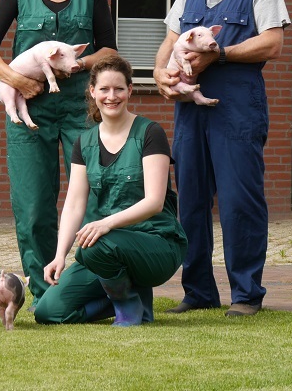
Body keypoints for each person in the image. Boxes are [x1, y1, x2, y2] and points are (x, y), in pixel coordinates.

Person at [0, 0, 118, 309]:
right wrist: (16, 79)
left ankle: (92, 287)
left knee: (94, 199)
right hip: (30, 113)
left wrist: (77, 65)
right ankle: (44, 295)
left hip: (83, 111)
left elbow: (108, 48)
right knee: (34, 204)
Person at [153, 0, 290, 317]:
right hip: (190, 111)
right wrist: (159, 73)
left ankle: (246, 294)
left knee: (238, 201)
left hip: (238, 108)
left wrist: (221, 54)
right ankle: (198, 291)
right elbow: (171, 37)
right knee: (191, 199)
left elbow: (272, 43)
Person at [34, 55, 188, 326]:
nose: (111, 96)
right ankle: (129, 299)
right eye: (104, 89)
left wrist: (105, 224)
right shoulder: (84, 142)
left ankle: (128, 308)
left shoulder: (150, 133)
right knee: (49, 311)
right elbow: (73, 205)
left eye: (119, 88)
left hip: (156, 241)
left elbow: (154, 201)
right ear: (92, 92)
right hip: (108, 249)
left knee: (91, 247)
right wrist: (59, 256)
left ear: (130, 90)